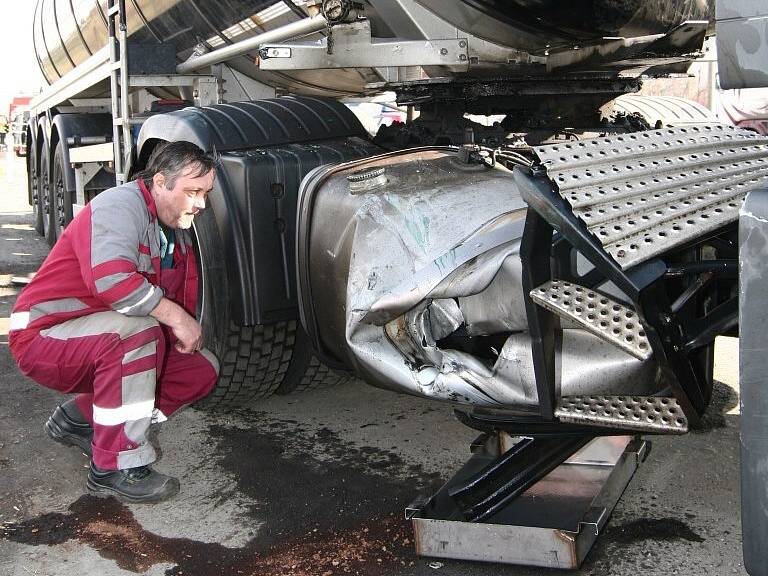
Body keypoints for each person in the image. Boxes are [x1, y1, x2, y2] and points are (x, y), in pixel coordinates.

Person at [8, 141, 220, 503]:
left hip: (93, 336)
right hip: (43, 337)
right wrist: (177, 318)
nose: (200, 203)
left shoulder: (171, 229)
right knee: (137, 335)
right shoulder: (121, 206)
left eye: (206, 193)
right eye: (192, 191)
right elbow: (111, 280)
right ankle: (114, 467)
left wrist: (176, 331)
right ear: (159, 182)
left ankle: (79, 418)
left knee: (200, 369)